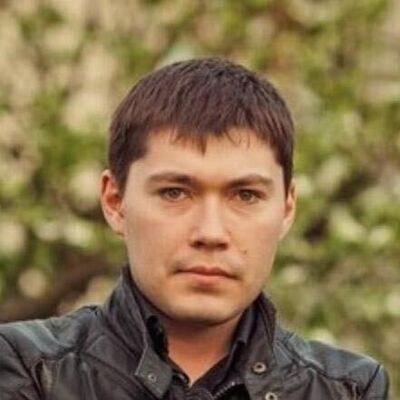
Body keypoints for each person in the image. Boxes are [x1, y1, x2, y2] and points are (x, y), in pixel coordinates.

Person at [0, 58, 389, 399]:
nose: (211, 232)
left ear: (286, 209)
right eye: (174, 193)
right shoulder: (29, 368)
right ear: (116, 202)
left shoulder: (349, 389)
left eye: (246, 195)